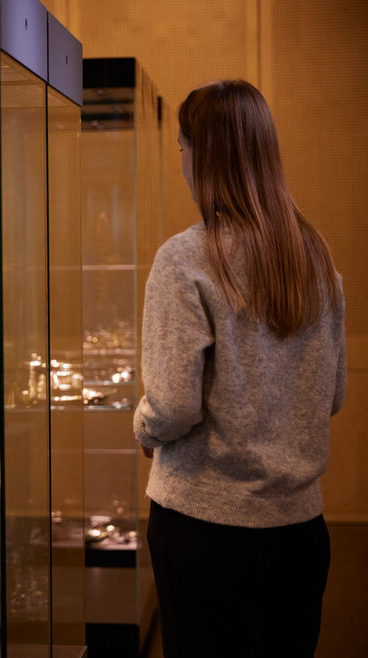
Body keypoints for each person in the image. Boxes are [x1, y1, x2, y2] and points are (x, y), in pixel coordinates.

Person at [133, 80, 345, 657]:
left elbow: (173, 406)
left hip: (202, 530)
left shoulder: (184, 258)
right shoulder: (317, 256)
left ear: (203, 154)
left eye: (182, 144)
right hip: (300, 532)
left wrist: (143, 427)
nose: (180, 158)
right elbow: (333, 394)